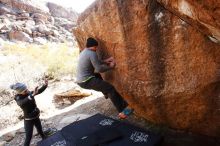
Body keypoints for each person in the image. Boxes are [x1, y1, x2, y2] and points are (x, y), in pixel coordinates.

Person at [76, 37, 133, 119]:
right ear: (92, 46)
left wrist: (106, 61)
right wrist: (111, 66)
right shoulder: (92, 53)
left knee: (98, 77)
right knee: (110, 88)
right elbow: (99, 69)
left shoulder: (84, 52)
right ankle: (123, 111)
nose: (96, 49)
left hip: (80, 80)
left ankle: (106, 94)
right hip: (86, 81)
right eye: (95, 47)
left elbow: (95, 62)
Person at [10, 80, 48, 146]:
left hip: (36, 116)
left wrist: (45, 85)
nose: (27, 90)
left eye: (26, 89)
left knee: (40, 130)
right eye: (25, 90)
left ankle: (46, 141)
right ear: (20, 92)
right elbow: (21, 102)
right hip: (28, 120)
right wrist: (31, 96)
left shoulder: (28, 93)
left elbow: (38, 91)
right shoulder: (18, 98)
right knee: (28, 137)